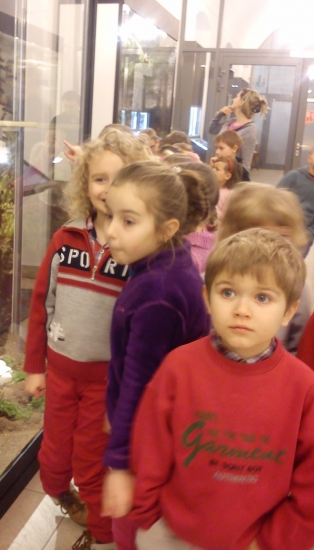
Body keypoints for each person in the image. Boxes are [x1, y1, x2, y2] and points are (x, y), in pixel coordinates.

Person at [130, 228, 314, 550]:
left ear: (288, 311)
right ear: (207, 299)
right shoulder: (178, 367)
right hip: (169, 532)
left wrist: (273, 540)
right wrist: (147, 513)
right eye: (228, 292)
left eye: (262, 297)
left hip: (255, 542)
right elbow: (150, 447)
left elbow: (310, 481)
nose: (242, 309)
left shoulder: (304, 387)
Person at [24, 130, 152, 550]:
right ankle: (62, 494)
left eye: (119, 179)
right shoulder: (65, 238)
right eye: (99, 178)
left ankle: (102, 535)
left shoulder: (137, 253)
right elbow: (42, 303)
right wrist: (34, 367)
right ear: (85, 182)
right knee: (53, 458)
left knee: (91, 463)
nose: (107, 189)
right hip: (60, 374)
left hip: (105, 382)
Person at [101, 161, 211, 549]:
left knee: (129, 530)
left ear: (167, 229)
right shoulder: (164, 266)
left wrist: (120, 464)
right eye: (110, 215)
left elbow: (138, 382)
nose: (111, 231)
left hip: (150, 442)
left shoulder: (157, 294)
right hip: (153, 432)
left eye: (128, 221)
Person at [217, 183, 311, 354]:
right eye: (259, 234)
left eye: (283, 236)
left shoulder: (297, 286)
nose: (272, 244)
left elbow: (298, 343)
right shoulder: (215, 278)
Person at [209, 88, 268, 172]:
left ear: (242, 102)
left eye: (236, 97)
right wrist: (220, 114)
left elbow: (246, 165)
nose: (233, 99)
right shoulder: (229, 122)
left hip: (231, 173)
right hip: (219, 170)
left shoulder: (249, 130)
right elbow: (212, 129)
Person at [277, 145, 314, 247]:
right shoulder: (294, 176)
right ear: (309, 158)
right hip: (282, 228)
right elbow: (275, 199)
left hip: (304, 234)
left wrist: (308, 234)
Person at [211, 156, 242, 222]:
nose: (212, 170)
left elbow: (228, 217)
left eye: (217, 169)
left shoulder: (229, 194)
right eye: (213, 168)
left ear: (227, 176)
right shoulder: (211, 188)